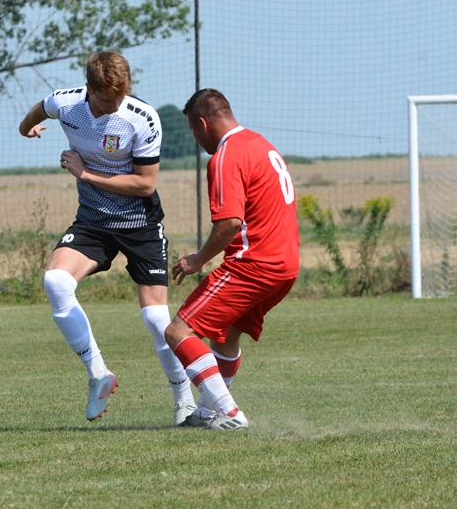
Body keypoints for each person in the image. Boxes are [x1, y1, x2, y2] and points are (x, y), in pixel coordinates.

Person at [19, 51, 198, 424]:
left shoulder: (142, 118)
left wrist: (85, 175)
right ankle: (98, 373)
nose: (114, 105)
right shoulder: (67, 104)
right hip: (93, 223)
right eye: (106, 99)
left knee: (154, 319)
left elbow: (146, 185)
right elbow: (37, 111)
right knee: (55, 281)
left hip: (140, 224)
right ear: (89, 90)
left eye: (120, 97)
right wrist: (28, 129)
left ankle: (184, 400)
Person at [164, 89, 300, 430]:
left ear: (202, 122)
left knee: (178, 331)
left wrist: (197, 260)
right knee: (225, 337)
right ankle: (209, 412)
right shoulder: (260, 144)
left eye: (194, 131)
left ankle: (229, 412)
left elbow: (229, 223)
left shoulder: (226, 155)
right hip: (286, 265)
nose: (197, 139)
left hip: (254, 265)